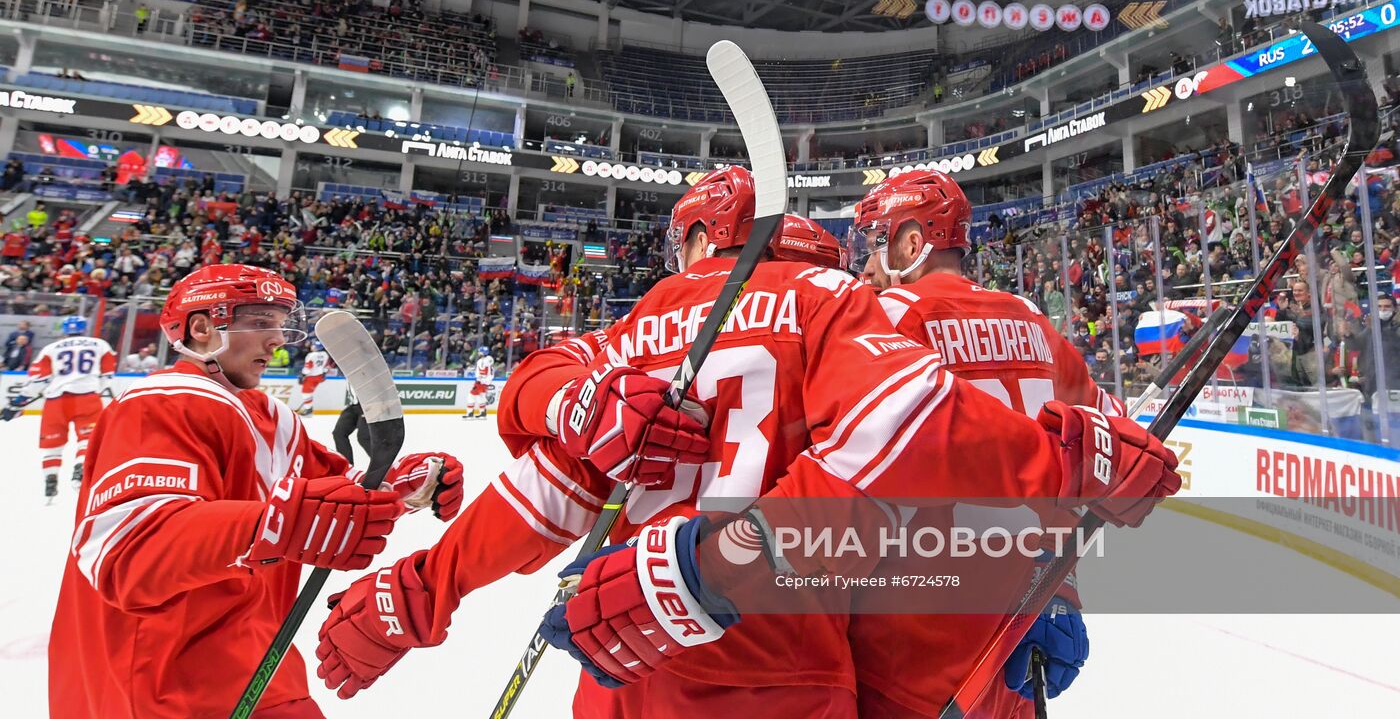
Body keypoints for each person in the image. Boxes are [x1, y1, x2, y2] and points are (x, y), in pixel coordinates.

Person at [311, 169, 1179, 715]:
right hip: (853, 644)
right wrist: (1056, 578)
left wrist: (426, 587)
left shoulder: (657, 317)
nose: (870, 262)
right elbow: (1024, 460)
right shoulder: (901, 311)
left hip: (627, 648)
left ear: (698, 239)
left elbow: (547, 476)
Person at [47, 264, 466, 718]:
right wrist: (278, 524)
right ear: (203, 327)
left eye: (281, 323)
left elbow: (330, 505)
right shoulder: (162, 403)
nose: (279, 339)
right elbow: (128, 551)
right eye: (261, 322)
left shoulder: (272, 416)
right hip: (160, 683)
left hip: (257, 664)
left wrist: (395, 488)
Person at [848, 170, 1123, 718]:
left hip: (913, 645)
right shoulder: (1031, 321)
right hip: (1020, 639)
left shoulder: (888, 318)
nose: (867, 265)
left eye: (878, 243)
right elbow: (1103, 445)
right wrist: (1060, 583)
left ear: (911, 242)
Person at [0, 316, 115, 497]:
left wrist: (16, 403)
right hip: (88, 398)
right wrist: (93, 388)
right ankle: (79, 468)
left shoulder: (51, 348)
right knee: (87, 438)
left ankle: (51, 478)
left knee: (52, 442)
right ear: (84, 328)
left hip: (56, 401)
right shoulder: (100, 344)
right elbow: (108, 375)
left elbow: (38, 380)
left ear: (65, 330)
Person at [332, 383, 370, 465]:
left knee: (364, 437)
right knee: (339, 433)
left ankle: (385, 467)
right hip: (354, 405)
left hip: (370, 404)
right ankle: (347, 467)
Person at [294, 338, 330, 416]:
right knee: (309, 393)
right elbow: (326, 366)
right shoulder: (325, 354)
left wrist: (302, 375)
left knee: (305, 393)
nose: (311, 346)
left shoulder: (311, 355)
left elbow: (308, 368)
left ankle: (308, 409)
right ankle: (308, 407)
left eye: (313, 345)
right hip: (319, 377)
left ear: (316, 347)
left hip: (311, 377)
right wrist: (324, 372)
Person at [464, 345, 494, 419]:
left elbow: (483, 372)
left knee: (471, 396)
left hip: (481, 382)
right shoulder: (487, 360)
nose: (478, 353)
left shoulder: (483, 361)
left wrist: (479, 380)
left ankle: (470, 413)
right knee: (481, 397)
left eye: (480, 351)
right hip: (484, 382)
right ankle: (482, 413)